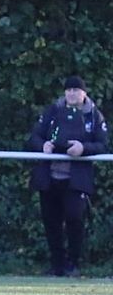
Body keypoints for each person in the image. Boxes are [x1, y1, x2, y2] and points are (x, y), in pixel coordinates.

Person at [28, 75, 108, 277]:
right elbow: (35, 135)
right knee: (50, 221)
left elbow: (102, 144)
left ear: (84, 93)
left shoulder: (94, 116)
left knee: (75, 219)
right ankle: (56, 265)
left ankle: (73, 263)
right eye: (69, 89)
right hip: (49, 177)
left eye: (76, 90)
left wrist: (83, 148)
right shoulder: (52, 111)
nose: (72, 93)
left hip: (76, 179)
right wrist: (42, 145)